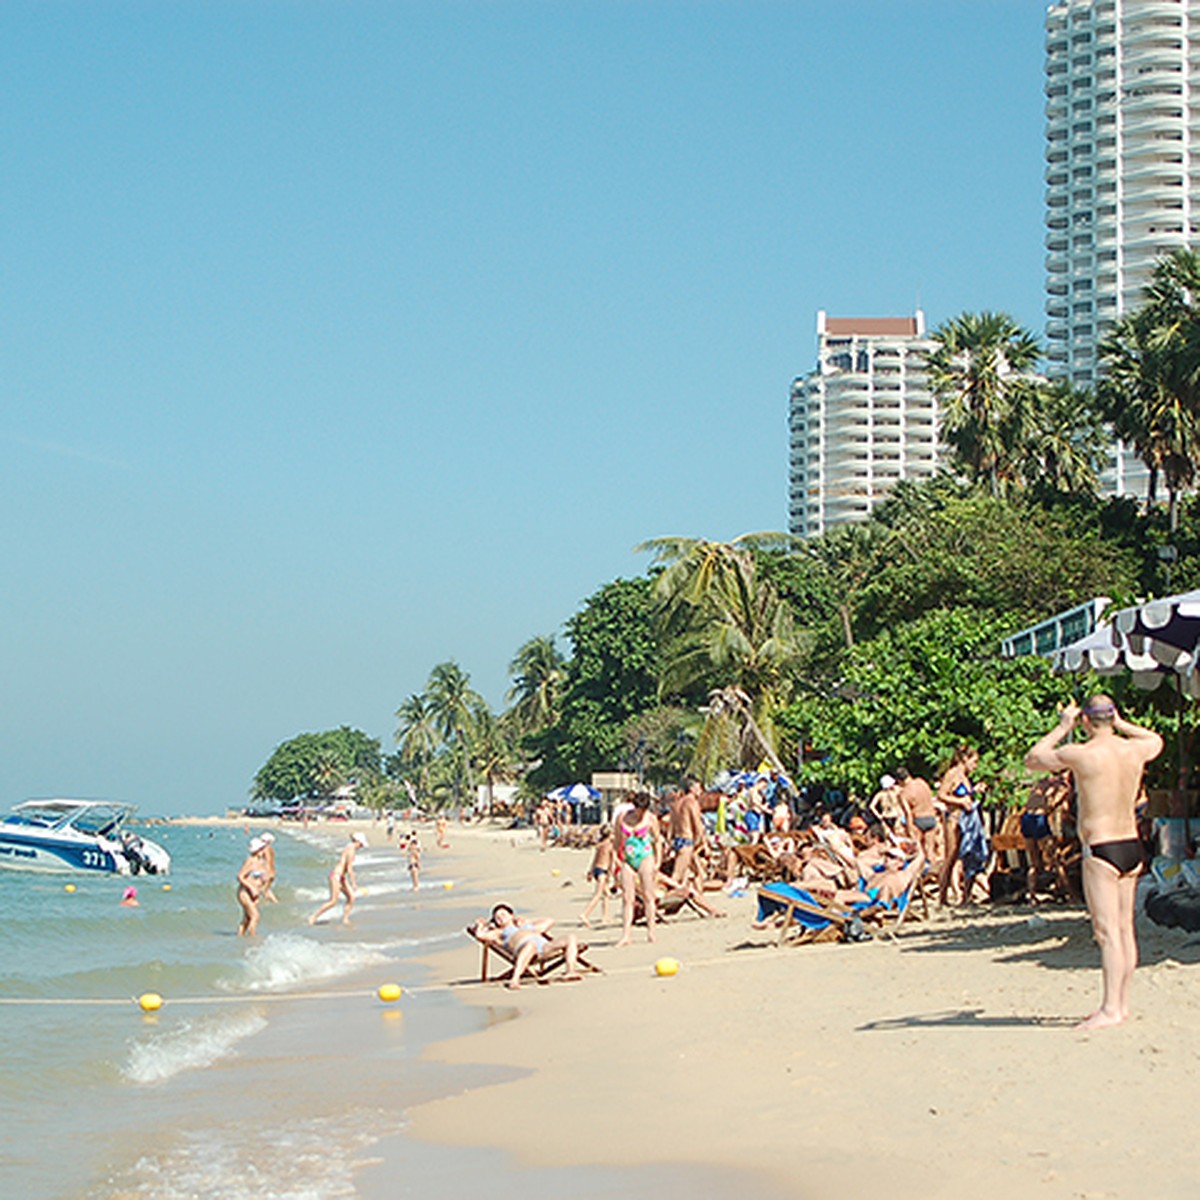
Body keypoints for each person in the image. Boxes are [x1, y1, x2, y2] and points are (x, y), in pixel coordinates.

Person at [1026, 696, 1163, 1030]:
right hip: (1130, 844)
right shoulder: (1134, 750)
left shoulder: (1082, 754)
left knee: (1106, 933)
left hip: (1102, 846)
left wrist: (1062, 726)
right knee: (1124, 929)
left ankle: (1110, 1008)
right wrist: (1121, 723)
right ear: (1110, 717)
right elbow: (1155, 740)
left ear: (1085, 721)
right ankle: (1122, 1004)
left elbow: (1033, 759)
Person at [472, 903, 583, 989]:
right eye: (497, 917)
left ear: (511, 915)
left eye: (503, 914)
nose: (500, 918)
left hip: (544, 948)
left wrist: (527, 921)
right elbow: (480, 935)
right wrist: (480, 925)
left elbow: (550, 921)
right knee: (530, 945)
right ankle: (515, 979)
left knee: (570, 937)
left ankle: (570, 971)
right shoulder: (499, 932)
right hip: (523, 951)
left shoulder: (525, 925)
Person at [937, 746, 984, 906]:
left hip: (968, 820)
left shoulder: (965, 776)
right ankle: (942, 896)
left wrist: (974, 791)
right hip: (954, 820)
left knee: (969, 855)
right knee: (951, 857)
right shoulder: (952, 774)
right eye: (974, 761)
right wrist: (960, 801)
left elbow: (965, 795)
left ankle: (966, 896)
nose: (975, 765)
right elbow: (941, 795)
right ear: (965, 759)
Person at [615, 791, 662, 947]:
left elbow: (657, 841)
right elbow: (616, 840)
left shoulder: (650, 819)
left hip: (645, 857)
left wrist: (658, 861)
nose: (641, 813)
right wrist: (617, 859)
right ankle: (626, 934)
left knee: (648, 896)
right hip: (628, 859)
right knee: (628, 898)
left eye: (643, 810)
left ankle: (652, 932)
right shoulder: (622, 817)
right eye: (639, 810)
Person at [1020, 769, 1074, 903]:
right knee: (1056, 860)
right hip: (1039, 818)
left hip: (1026, 818)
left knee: (1034, 863)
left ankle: (1031, 895)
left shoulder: (1043, 782)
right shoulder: (1062, 786)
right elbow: (1055, 806)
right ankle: (1072, 896)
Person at [309, 831, 367, 926]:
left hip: (340, 877)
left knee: (351, 897)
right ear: (357, 842)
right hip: (336, 876)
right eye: (361, 845)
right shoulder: (351, 851)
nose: (361, 847)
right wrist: (353, 883)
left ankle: (345, 919)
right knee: (333, 901)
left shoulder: (349, 848)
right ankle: (313, 917)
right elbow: (349, 868)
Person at [668, 778, 707, 885]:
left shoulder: (677, 803)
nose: (701, 791)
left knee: (696, 873)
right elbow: (697, 824)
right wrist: (705, 843)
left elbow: (672, 825)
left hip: (677, 839)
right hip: (687, 841)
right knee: (676, 876)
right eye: (699, 788)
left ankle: (693, 897)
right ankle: (658, 897)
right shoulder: (692, 803)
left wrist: (669, 842)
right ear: (691, 789)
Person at [897, 768, 938, 863]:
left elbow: (908, 813)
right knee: (930, 851)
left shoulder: (904, 793)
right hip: (931, 817)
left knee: (919, 853)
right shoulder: (921, 782)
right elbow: (930, 797)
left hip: (918, 820)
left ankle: (921, 875)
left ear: (900, 781)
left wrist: (910, 829)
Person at [579, 826, 615, 926]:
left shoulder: (600, 845)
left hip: (597, 869)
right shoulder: (610, 846)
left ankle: (605, 917)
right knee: (598, 894)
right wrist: (611, 873)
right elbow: (612, 861)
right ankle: (585, 914)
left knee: (607, 894)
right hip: (603, 871)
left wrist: (590, 872)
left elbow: (595, 860)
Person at [237, 837, 269, 935]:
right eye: (261, 849)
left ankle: (240, 938)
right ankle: (253, 939)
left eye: (263, 848)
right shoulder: (250, 861)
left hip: (254, 893)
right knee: (255, 916)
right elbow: (240, 876)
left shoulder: (261, 861)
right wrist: (252, 888)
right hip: (245, 892)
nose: (263, 851)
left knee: (247, 919)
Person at [259, 831, 278, 903]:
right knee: (266, 890)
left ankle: (275, 904)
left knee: (263, 891)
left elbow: (265, 861)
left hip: (267, 872)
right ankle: (275, 903)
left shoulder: (264, 849)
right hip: (272, 872)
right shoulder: (271, 849)